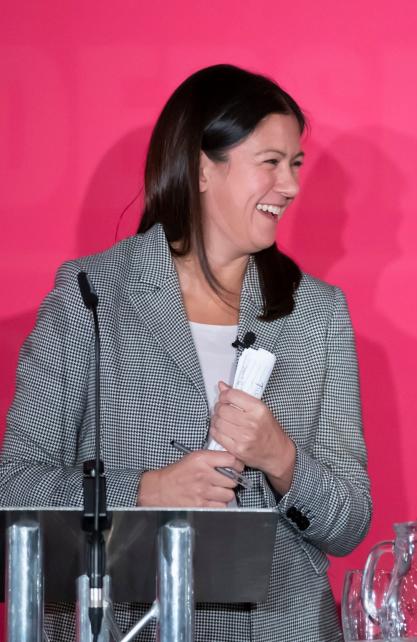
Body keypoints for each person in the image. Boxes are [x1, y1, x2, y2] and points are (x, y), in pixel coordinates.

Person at [1, 64, 371, 641]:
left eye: (296, 164)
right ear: (203, 167)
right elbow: (15, 488)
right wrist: (148, 491)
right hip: (132, 626)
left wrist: (282, 460)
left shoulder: (316, 312)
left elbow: (349, 523)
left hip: (283, 627)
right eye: (271, 163)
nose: (293, 185)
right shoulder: (91, 295)